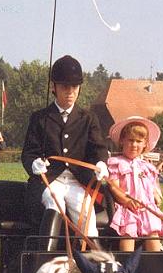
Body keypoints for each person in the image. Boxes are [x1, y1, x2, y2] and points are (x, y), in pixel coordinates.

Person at [21, 55, 108, 251]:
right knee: (55, 203)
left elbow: (99, 149)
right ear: (54, 87)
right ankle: (44, 256)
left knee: (87, 215)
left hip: (78, 181)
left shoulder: (88, 118)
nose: (70, 92)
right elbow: (28, 153)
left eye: (74, 88)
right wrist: (34, 164)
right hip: (51, 180)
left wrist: (102, 163)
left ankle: (94, 262)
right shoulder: (40, 118)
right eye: (65, 87)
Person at [107, 116, 163, 252]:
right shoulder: (117, 163)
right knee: (128, 231)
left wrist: (156, 194)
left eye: (139, 141)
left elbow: (152, 185)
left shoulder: (147, 166)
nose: (134, 145)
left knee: (153, 231)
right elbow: (113, 186)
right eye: (130, 140)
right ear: (122, 141)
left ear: (145, 144)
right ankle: (126, 263)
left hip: (146, 208)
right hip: (127, 208)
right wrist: (126, 201)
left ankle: (155, 263)